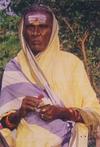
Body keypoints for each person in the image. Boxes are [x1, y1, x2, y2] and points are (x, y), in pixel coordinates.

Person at [0, 4, 100, 147]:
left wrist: (62, 112)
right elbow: (3, 125)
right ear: (23, 31)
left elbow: (95, 113)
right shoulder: (15, 67)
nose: (36, 33)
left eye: (43, 26)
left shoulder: (72, 64)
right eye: (30, 27)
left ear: (53, 30)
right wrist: (20, 112)